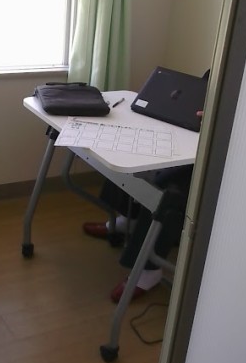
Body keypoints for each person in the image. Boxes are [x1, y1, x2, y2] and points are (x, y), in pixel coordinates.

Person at [83, 110, 202, 302]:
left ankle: (149, 270)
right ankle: (127, 221)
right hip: (193, 127)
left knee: (169, 185)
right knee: (132, 149)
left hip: (219, 151)